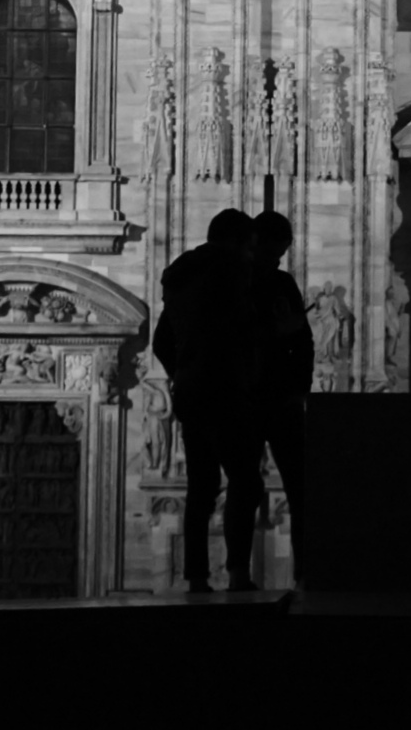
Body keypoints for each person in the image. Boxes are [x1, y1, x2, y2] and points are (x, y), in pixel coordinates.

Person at [151, 209, 265, 593]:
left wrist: (182, 369)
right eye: (250, 247)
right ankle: (237, 573)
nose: (252, 256)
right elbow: (239, 328)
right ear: (235, 242)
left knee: (201, 485)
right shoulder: (230, 270)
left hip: (189, 389)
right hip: (225, 386)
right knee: (245, 480)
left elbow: (162, 340)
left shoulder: (181, 276)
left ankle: (197, 577)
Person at [250, 210, 314, 586]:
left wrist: (300, 389)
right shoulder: (240, 284)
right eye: (274, 253)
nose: (275, 261)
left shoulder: (279, 283)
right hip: (261, 397)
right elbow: (298, 339)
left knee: (296, 485)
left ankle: (302, 573)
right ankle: (242, 572)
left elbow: (303, 339)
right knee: (250, 485)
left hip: (275, 398)